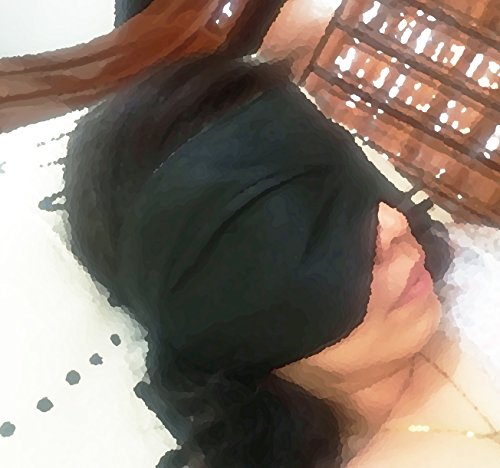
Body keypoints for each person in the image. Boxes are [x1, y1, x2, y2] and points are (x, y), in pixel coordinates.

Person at [63, 46, 495, 468]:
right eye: (312, 227)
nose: (396, 222)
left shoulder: (470, 274)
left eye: (356, 178)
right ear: (219, 319)